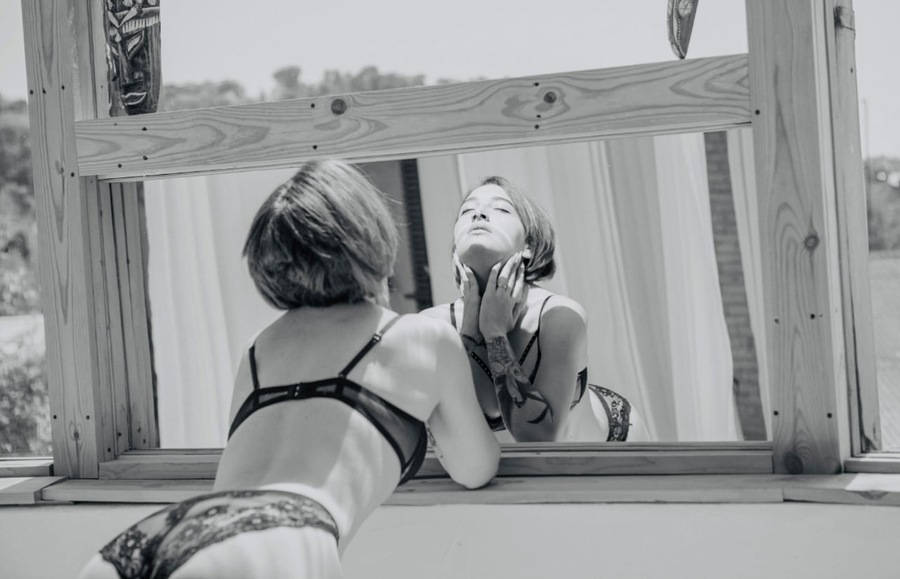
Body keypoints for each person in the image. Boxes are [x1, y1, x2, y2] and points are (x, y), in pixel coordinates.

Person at [79, 160, 500, 579]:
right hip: (276, 539)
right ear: (371, 238)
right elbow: (475, 468)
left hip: (161, 533)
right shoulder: (422, 337)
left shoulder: (258, 350)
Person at [422, 176, 649, 443]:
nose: (478, 214)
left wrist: (494, 332)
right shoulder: (431, 325)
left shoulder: (560, 316)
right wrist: (469, 334)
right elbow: (436, 437)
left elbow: (540, 438)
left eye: (501, 209)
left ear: (528, 245)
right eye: (467, 210)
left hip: (611, 439)